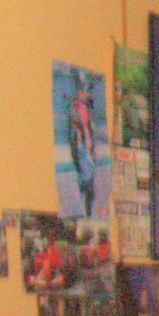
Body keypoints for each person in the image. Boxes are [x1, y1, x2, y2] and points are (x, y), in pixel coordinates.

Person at [67, 70, 97, 217]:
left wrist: (90, 141)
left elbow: (89, 127)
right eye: (85, 91)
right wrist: (83, 137)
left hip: (86, 145)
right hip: (80, 145)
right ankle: (84, 201)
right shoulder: (74, 107)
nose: (87, 94)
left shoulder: (86, 108)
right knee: (84, 173)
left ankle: (87, 205)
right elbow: (77, 128)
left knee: (87, 173)